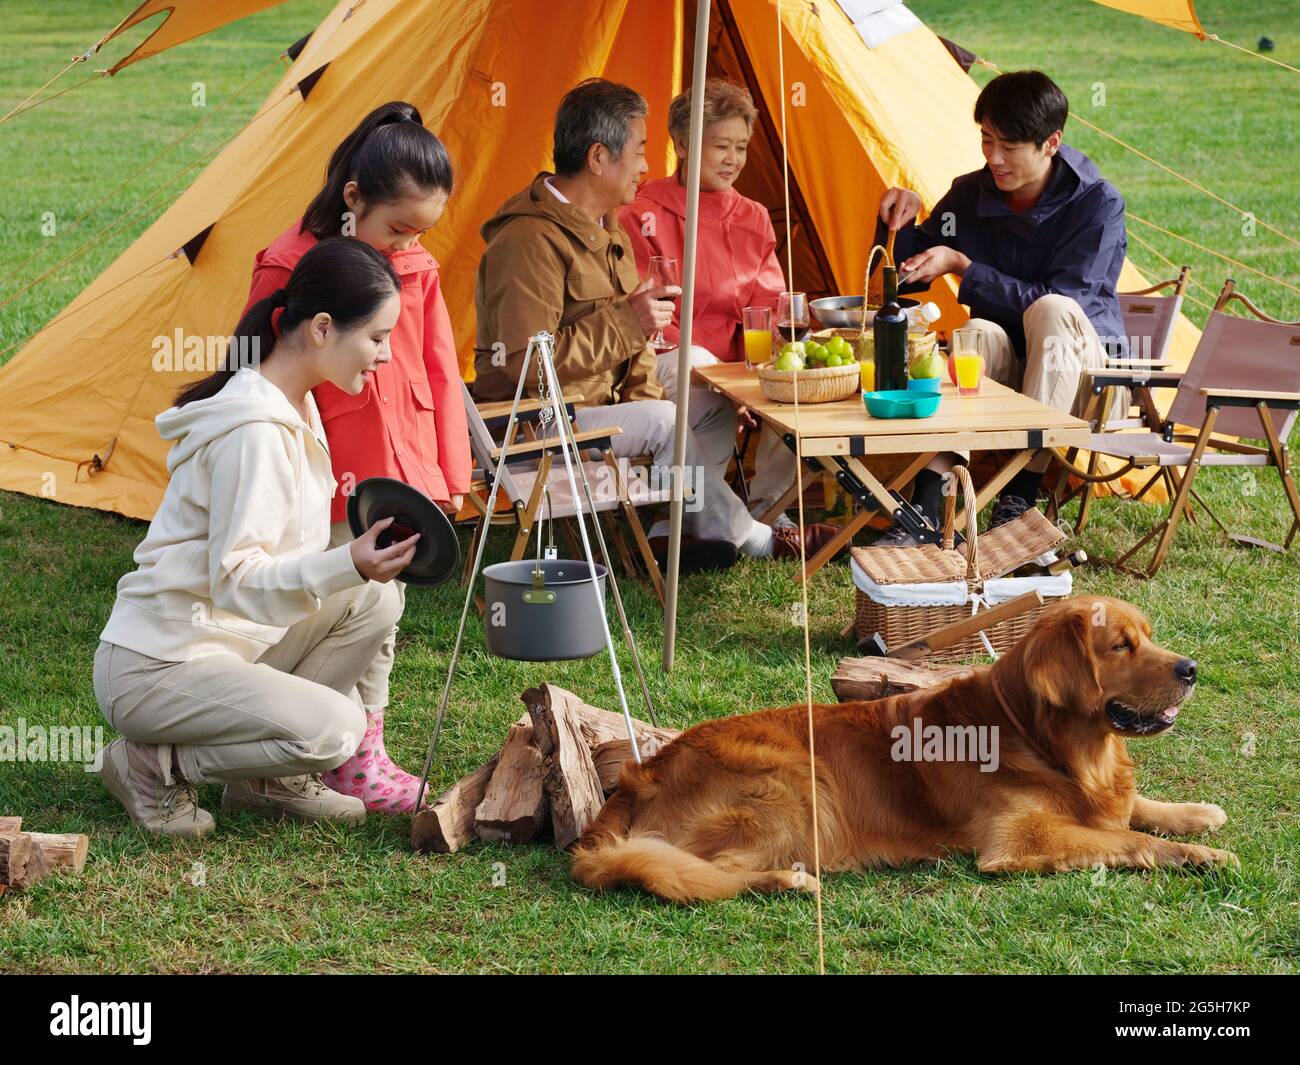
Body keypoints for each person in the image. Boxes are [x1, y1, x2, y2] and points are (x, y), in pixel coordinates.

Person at [93, 239, 417, 837]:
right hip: (158, 667)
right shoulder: (256, 432)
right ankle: (150, 764)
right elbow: (238, 579)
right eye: (377, 337)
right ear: (322, 328)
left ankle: (266, 777)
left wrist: (354, 570)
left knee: (375, 598)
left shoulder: (293, 404)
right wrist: (346, 559)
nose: (386, 355)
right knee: (335, 729)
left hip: (226, 644)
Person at [473, 78, 837, 569]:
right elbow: (524, 367)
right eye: (641, 151)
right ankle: (755, 537)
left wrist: (642, 394)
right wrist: (631, 325)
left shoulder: (605, 226)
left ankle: (676, 527)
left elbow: (636, 351)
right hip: (535, 420)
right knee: (667, 420)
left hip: (594, 404)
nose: (648, 166)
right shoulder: (529, 241)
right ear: (600, 158)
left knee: (702, 403)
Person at [244, 101, 470, 811]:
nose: (408, 243)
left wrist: (450, 472)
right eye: (398, 227)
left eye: (421, 231)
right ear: (353, 199)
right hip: (332, 473)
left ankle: (359, 751)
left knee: (386, 604)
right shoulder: (287, 263)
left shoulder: (417, 264)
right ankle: (304, 745)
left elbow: (440, 367)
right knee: (345, 599)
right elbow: (259, 372)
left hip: (404, 467)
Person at [873, 70, 1127, 543]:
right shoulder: (970, 194)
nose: (993, 157)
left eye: (1008, 146)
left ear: (1051, 143)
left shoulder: (1098, 204)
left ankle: (1017, 500)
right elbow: (902, 284)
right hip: (1006, 377)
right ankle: (928, 512)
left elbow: (1065, 303)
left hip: (1090, 383)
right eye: (987, 141)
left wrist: (966, 268)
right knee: (979, 334)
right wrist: (899, 219)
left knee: (1050, 309)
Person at [619, 77, 799, 526]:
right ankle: (695, 518)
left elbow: (768, 305)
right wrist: (724, 383)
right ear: (682, 143)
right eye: (722, 146)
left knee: (794, 380)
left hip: (733, 368)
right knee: (700, 368)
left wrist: (757, 372)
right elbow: (653, 314)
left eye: (741, 147)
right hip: (663, 359)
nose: (734, 160)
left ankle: (766, 508)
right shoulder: (639, 213)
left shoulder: (753, 217)